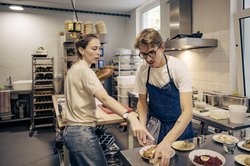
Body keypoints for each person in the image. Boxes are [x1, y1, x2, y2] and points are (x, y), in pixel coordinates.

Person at [62, 33, 154, 166]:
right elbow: (105, 98)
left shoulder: (73, 69)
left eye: (99, 48)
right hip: (82, 134)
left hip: (71, 132)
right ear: (81, 50)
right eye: (94, 49)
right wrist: (129, 115)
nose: (98, 53)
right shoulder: (86, 71)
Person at [134, 28, 194, 166]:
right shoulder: (143, 70)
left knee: (180, 162)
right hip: (155, 125)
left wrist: (167, 141)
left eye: (151, 53)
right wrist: (142, 126)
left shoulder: (177, 67)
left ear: (162, 47)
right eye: (143, 54)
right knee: (154, 161)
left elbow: (188, 112)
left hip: (179, 127)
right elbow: (142, 101)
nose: (148, 59)